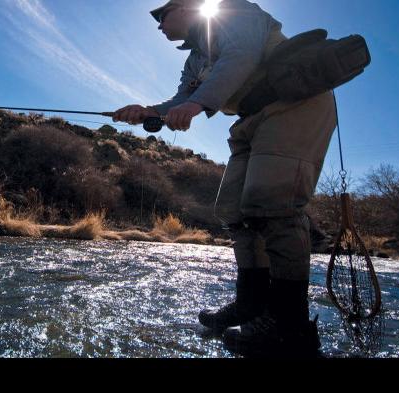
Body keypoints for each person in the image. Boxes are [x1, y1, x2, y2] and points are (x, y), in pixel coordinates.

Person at [113, 0, 337, 357]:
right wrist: (147, 112)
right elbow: (182, 97)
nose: (158, 25)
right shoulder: (194, 60)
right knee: (233, 210)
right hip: (252, 118)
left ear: (187, 7)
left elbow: (241, 57)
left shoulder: (235, 12)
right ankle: (251, 306)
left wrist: (197, 105)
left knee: (272, 204)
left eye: (162, 15)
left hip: (295, 105)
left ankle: (290, 325)